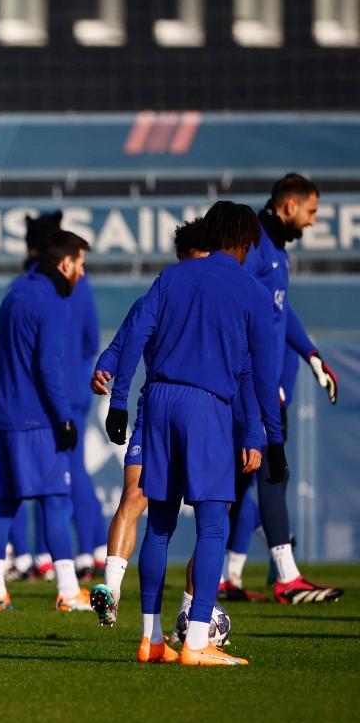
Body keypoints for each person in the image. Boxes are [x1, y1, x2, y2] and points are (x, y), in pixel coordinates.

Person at [105, 201, 285, 666]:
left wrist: (119, 401)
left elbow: (136, 334)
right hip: (206, 407)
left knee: (158, 525)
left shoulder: (171, 277)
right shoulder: (253, 291)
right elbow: (262, 375)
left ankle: (151, 639)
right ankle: (197, 641)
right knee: (212, 524)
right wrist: (272, 437)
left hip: (158, 401)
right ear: (246, 240)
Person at [240, 174, 343, 604]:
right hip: (259, 390)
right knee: (271, 474)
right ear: (290, 206)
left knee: (243, 482)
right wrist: (259, 383)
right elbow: (238, 310)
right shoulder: (256, 245)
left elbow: (281, 311)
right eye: (311, 212)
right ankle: (287, 577)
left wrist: (311, 354)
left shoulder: (276, 249)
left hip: (271, 388)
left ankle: (227, 575)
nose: (314, 221)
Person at [0, 230, 93, 613]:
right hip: (38, 422)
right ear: (65, 263)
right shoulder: (55, 303)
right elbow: (49, 368)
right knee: (57, 502)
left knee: (3, 506)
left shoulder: (13, 294)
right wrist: (64, 418)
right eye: (80, 264)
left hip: (4, 417)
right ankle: (68, 591)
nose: (82, 273)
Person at [2, 213, 105, 582]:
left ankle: (37, 557)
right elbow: (91, 341)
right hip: (73, 393)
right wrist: (78, 379)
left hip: (38, 399)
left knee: (26, 478)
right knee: (73, 472)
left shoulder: (24, 287)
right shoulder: (81, 284)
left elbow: (14, 353)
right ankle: (91, 551)